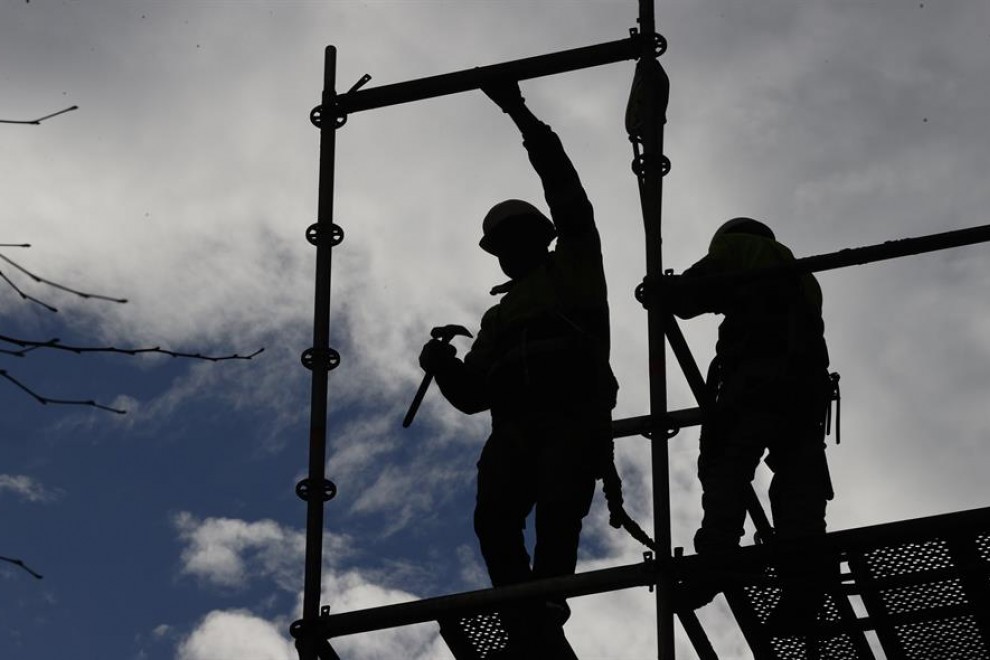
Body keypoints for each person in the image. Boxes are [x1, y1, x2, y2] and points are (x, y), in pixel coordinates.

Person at [419, 81, 617, 656]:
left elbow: (566, 190)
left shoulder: (576, 269)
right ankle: (524, 612)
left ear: (539, 238)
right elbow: (474, 395)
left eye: (513, 239)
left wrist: (520, 114)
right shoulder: (498, 317)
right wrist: (442, 366)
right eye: (500, 244)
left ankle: (547, 608)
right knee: (494, 521)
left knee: (559, 508)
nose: (507, 251)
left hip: (570, 416)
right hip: (513, 428)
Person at [668, 217, 835, 623]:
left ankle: (719, 558)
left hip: (757, 383)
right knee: (798, 483)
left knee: (726, 466)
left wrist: (664, 291)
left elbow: (693, 295)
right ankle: (804, 581)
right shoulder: (801, 274)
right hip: (804, 392)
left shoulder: (738, 249)